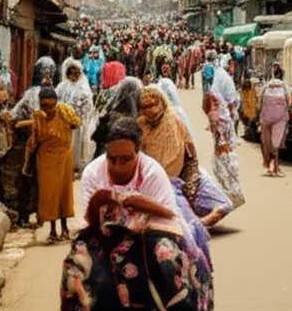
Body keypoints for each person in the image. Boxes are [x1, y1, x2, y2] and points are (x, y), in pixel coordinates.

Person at [64, 117, 212, 310]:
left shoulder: (153, 172)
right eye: (112, 159)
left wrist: (141, 207)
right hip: (105, 235)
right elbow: (89, 220)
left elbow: (167, 220)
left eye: (125, 159)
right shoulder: (92, 172)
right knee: (75, 265)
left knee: (167, 259)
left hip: (149, 234)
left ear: (138, 152)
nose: (117, 166)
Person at [25, 87, 79, 244]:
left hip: (63, 157)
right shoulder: (38, 117)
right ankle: (53, 230)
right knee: (49, 194)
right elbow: (35, 140)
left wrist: (66, 115)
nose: (48, 109)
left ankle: (65, 228)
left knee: (63, 192)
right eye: (44, 106)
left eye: (51, 105)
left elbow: (76, 124)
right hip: (46, 159)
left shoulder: (64, 111)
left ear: (56, 102)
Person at [138, 85, 196, 180]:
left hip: (168, 178)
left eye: (153, 105)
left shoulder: (171, 122)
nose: (150, 110)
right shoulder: (141, 123)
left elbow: (173, 159)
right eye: (145, 107)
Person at [205, 74, 245, 209]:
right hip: (226, 152)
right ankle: (230, 202)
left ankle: (228, 203)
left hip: (224, 152)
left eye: (214, 103)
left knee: (227, 180)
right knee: (228, 179)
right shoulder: (224, 115)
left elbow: (221, 136)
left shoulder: (219, 117)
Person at [56, 58, 97, 174]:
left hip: (77, 123)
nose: (73, 75)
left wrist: (77, 118)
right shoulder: (62, 86)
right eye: (71, 72)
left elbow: (87, 106)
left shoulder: (84, 88)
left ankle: (73, 166)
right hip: (62, 121)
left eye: (76, 72)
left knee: (76, 144)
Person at [259, 65, 290, 177]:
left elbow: (260, 99)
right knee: (276, 143)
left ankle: (269, 163)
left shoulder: (267, 85)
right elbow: (289, 101)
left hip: (266, 116)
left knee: (267, 141)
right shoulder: (284, 86)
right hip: (280, 117)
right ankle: (276, 166)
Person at [157, 62, 194, 138]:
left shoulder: (163, 83)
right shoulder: (166, 83)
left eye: (167, 69)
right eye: (164, 69)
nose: (166, 71)